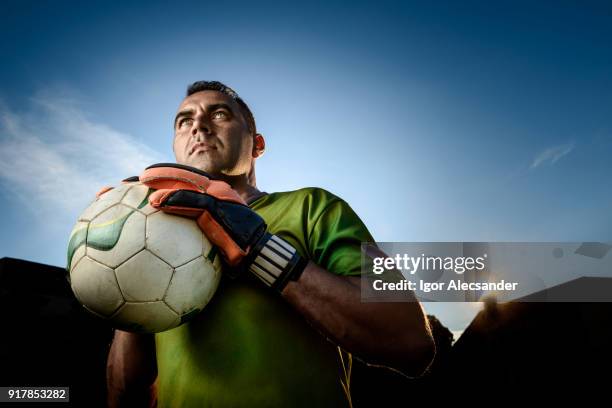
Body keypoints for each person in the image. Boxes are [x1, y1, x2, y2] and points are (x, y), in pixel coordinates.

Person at [106, 81, 435, 407]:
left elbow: (411, 343)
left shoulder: (313, 207)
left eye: (219, 114)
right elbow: (124, 396)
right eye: (184, 121)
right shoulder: (157, 233)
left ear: (256, 144)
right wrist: (131, 263)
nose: (199, 127)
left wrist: (263, 251)